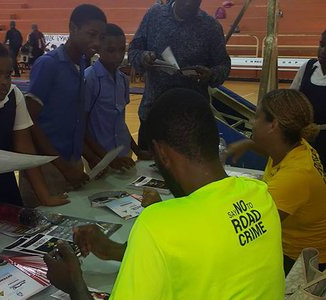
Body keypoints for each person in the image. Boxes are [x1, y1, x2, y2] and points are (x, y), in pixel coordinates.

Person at [44, 88, 284, 300]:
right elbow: (196, 253)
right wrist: (112, 250)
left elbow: (178, 239)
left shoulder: (157, 224)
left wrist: (74, 283)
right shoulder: (260, 195)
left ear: (162, 153)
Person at [0, 39, 69, 244]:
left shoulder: (13, 95)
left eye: (8, 75)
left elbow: (25, 151)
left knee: (15, 245)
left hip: (4, 188)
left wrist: (45, 197)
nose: (4, 81)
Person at [227, 89, 326, 275]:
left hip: (305, 262)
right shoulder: (294, 147)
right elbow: (270, 151)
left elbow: (254, 226)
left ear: (273, 125)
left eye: (256, 117)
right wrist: (247, 144)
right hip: (295, 248)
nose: (251, 122)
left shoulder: (295, 175)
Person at [25, 5, 107, 199]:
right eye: (91, 34)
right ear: (73, 28)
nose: (96, 42)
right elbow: (29, 121)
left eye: (100, 37)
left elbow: (75, 121)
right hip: (46, 168)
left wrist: (92, 158)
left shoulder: (82, 65)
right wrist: (62, 167)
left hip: (72, 163)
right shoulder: (48, 65)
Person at [128, 0, 231, 150]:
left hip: (192, 121)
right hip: (153, 113)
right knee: (147, 169)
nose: (189, 4)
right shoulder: (154, 16)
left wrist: (211, 74)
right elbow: (134, 50)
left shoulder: (211, 27)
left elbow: (223, 65)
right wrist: (143, 57)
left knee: (190, 172)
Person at [85, 23, 151, 171]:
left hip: (123, 154)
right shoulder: (90, 78)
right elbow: (81, 126)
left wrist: (137, 151)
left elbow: (120, 123)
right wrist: (104, 159)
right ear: (98, 49)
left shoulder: (123, 79)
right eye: (110, 50)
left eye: (121, 50)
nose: (117, 56)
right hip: (99, 158)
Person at [290, 30, 326, 168]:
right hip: (303, 138)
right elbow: (291, 100)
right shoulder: (308, 67)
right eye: (322, 45)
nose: (323, 51)